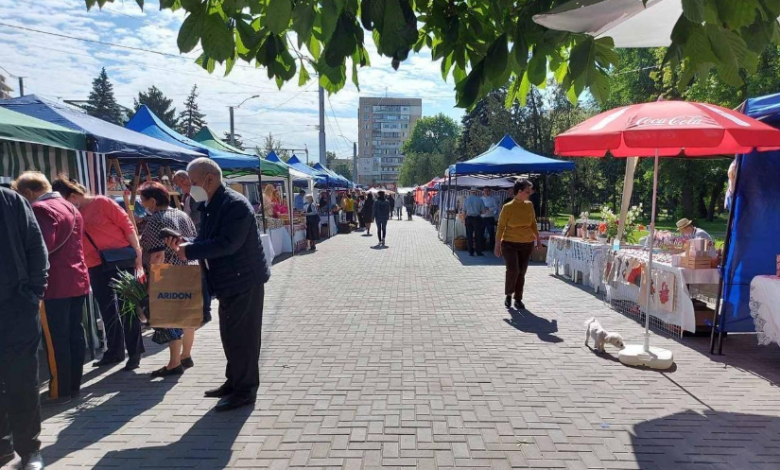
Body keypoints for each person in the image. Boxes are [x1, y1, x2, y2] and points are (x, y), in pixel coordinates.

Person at [164, 158, 270, 412]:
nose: (189, 188)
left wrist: (189, 251)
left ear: (210, 179)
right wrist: (185, 243)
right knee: (231, 336)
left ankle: (245, 391)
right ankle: (233, 382)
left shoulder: (234, 205)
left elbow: (227, 244)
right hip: (230, 282)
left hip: (244, 281)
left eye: (193, 182)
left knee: (243, 339)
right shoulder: (212, 203)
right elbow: (206, 239)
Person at [52, 177, 145, 372]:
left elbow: (127, 225)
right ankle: (114, 351)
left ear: (74, 195)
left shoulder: (102, 202)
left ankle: (134, 353)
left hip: (119, 261)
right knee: (107, 310)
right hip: (94, 265)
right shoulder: (70, 212)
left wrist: (137, 253)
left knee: (127, 308)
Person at [14, 172, 90, 406]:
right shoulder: (69, 206)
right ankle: (74, 386)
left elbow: (41, 248)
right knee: (74, 335)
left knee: (57, 340)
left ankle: (60, 390)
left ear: (28, 192)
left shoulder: (40, 209)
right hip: (77, 279)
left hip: (55, 284)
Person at [0, 186, 47, 470]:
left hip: (15, 305)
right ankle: (3, 447)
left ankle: (29, 449)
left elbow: (35, 246)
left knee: (22, 380)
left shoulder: (10, 200)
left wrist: (34, 293)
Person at [138, 182, 199, 379]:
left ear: (153, 201)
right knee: (187, 317)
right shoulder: (182, 214)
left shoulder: (155, 220)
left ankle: (174, 364)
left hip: (168, 273)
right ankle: (186, 356)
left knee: (171, 319)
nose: (142, 204)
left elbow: (157, 255)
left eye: (143, 200)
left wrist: (152, 283)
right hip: (189, 268)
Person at [173, 170, 212, 327]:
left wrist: (186, 224)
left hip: (198, 239)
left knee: (202, 277)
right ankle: (204, 310)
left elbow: (199, 218)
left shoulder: (197, 195)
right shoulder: (190, 195)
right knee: (201, 276)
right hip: (195, 239)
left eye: (179, 183)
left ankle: (205, 311)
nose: (179, 187)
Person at [495, 179, 539, 310]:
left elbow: (533, 223)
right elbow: (501, 226)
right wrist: (497, 245)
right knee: (513, 270)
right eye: (527, 192)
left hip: (526, 243)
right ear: (519, 192)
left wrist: (538, 239)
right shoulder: (507, 207)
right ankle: (508, 294)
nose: (529, 194)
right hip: (509, 243)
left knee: (522, 272)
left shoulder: (529, 205)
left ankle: (518, 299)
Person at [464, 188, 486, 257]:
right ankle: (479, 252)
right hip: (477, 218)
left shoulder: (466, 200)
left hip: (468, 218)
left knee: (469, 236)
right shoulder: (480, 200)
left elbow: (464, 211)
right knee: (478, 236)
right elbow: (483, 211)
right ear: (476, 192)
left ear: (471, 192)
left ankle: (471, 252)